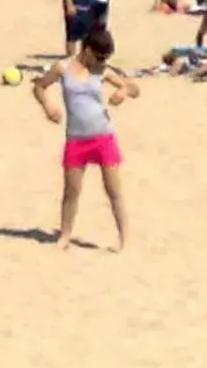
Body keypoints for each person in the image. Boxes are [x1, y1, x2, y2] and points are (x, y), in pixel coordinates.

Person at [30, 25, 137, 250]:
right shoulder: (63, 68)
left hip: (103, 135)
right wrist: (48, 106)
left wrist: (122, 91)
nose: (101, 62)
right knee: (71, 191)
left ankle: (124, 237)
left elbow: (133, 88)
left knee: (113, 190)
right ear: (86, 49)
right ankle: (65, 235)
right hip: (76, 138)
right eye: (99, 57)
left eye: (104, 58)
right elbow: (39, 86)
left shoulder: (103, 70)